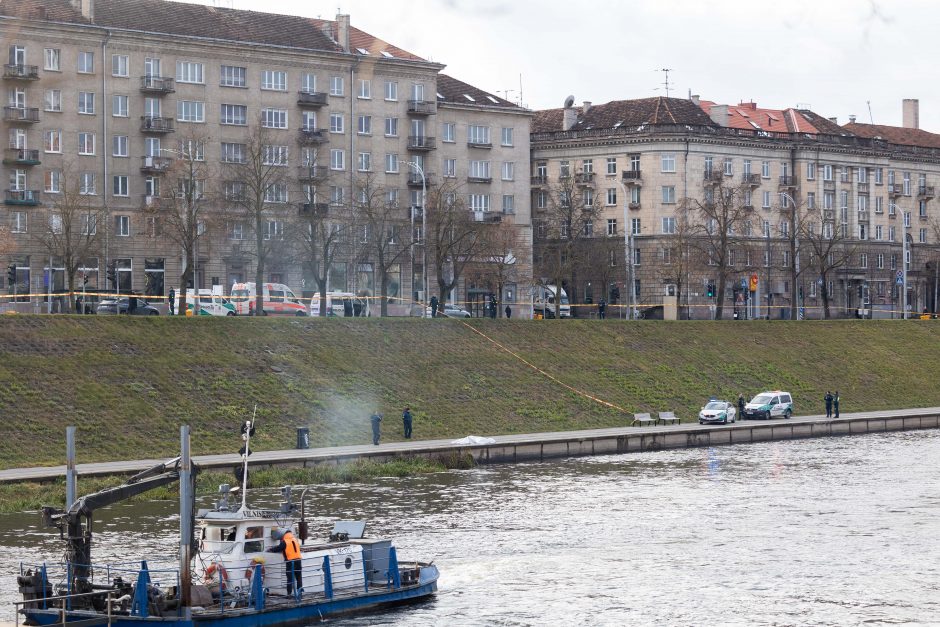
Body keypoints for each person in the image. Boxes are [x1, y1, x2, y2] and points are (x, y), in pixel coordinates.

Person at [267, 528, 302, 596]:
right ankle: (300, 593)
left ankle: (289, 594)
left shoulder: (285, 541)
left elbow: (278, 548)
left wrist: (271, 549)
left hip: (290, 561)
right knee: (298, 578)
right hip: (298, 560)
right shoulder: (295, 540)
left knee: (289, 579)